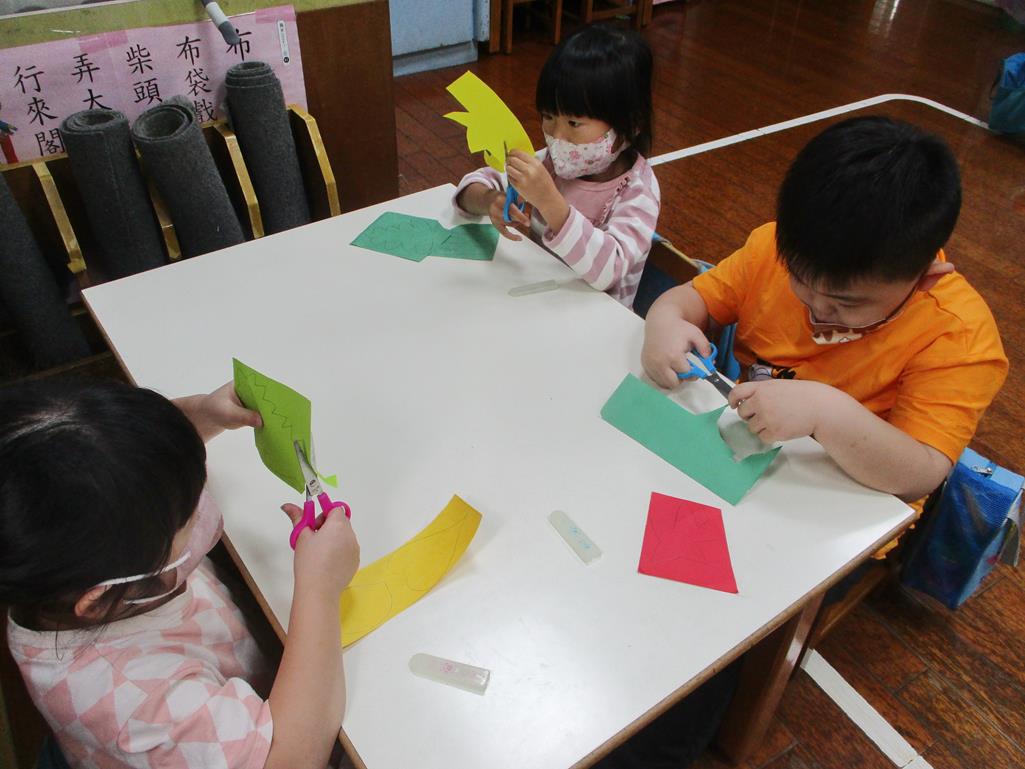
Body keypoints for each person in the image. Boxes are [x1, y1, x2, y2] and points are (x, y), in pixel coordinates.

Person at [642, 116, 1008, 508]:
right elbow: (691, 300)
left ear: (925, 279)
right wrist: (665, 320)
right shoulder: (772, 249)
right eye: (799, 280)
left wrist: (825, 413)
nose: (817, 306)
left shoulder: (959, 337)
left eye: (846, 303)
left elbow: (919, 476)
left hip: (847, 504)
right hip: (744, 461)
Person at [0, 378, 360, 769]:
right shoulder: (137, 703)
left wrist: (199, 418)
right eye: (186, 521)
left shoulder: (59, 561)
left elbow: (111, 461)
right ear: (100, 598)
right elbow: (287, 760)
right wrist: (319, 588)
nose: (199, 513)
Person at [454, 24, 660, 308]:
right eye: (548, 116)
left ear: (632, 124)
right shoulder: (550, 163)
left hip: (597, 319)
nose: (557, 135)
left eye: (574, 123)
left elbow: (609, 271)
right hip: (541, 302)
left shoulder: (637, 190)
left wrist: (549, 201)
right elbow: (468, 191)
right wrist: (491, 200)